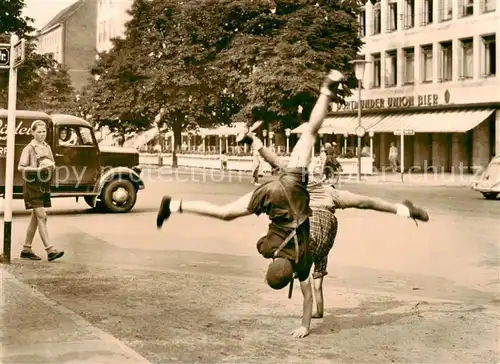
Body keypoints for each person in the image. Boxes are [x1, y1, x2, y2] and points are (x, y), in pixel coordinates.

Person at [156, 69, 346, 338]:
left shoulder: (303, 261)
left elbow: (305, 297)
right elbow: (263, 246)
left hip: (289, 186)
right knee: (226, 213)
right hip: (276, 194)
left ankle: (327, 87)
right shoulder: (273, 251)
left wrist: (305, 325)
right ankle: (175, 205)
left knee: (310, 133)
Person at [246, 135, 429, 319]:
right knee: (366, 202)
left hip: (322, 212)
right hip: (321, 199)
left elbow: (308, 291)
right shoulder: (281, 250)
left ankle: (405, 210)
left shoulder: (300, 262)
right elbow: (279, 165)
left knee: (363, 202)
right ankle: (404, 210)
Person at [17, 120, 64, 262]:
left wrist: (51, 167)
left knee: (35, 219)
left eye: (44, 131)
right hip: (32, 185)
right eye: (39, 132)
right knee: (42, 216)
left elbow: (52, 162)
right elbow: (20, 167)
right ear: (32, 132)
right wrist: (37, 169)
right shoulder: (29, 148)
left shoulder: (47, 146)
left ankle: (26, 249)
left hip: (43, 184)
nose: (42, 134)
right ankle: (50, 251)